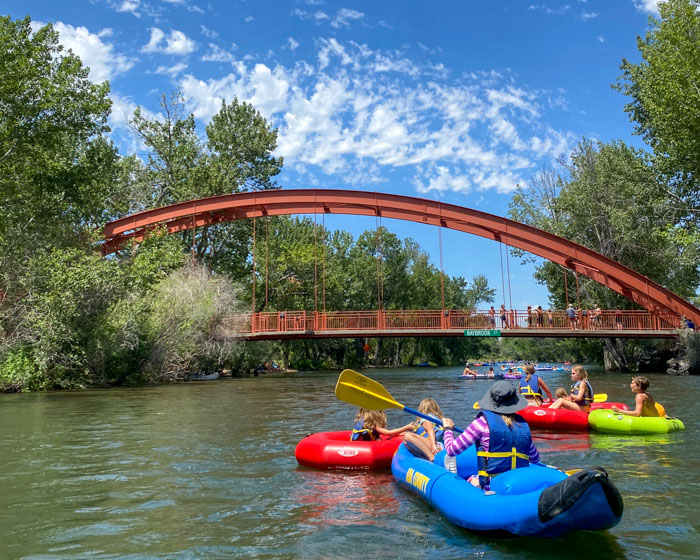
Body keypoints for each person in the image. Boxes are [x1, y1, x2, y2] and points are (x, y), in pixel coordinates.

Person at [442, 381, 540, 492]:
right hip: (519, 486)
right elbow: (535, 459)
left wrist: (448, 430)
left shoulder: (481, 423)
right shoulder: (522, 426)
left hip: (492, 488)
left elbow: (451, 451)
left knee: (471, 479)